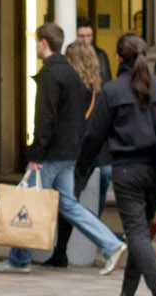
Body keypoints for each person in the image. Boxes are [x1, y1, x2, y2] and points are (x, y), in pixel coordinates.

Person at [0, 23, 125, 275]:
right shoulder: (71, 74)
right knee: (68, 204)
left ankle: (19, 261)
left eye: (36, 42)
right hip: (69, 153)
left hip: (51, 154)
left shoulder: (51, 73)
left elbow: (45, 118)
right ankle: (111, 244)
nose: (35, 46)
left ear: (43, 43)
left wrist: (36, 153)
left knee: (28, 201)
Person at [78, 38, 156, 296]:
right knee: (141, 233)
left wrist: (81, 170)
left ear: (118, 58)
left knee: (136, 234)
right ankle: (126, 294)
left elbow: (94, 135)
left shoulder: (111, 90)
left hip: (128, 170)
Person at [42, 39, 107, 269]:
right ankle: (60, 251)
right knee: (68, 202)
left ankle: (106, 243)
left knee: (67, 204)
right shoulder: (96, 89)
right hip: (88, 153)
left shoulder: (74, 88)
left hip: (72, 151)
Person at [76, 15, 112, 83]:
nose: (85, 40)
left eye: (89, 36)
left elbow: (106, 81)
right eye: (81, 36)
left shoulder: (100, 55)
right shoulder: (70, 56)